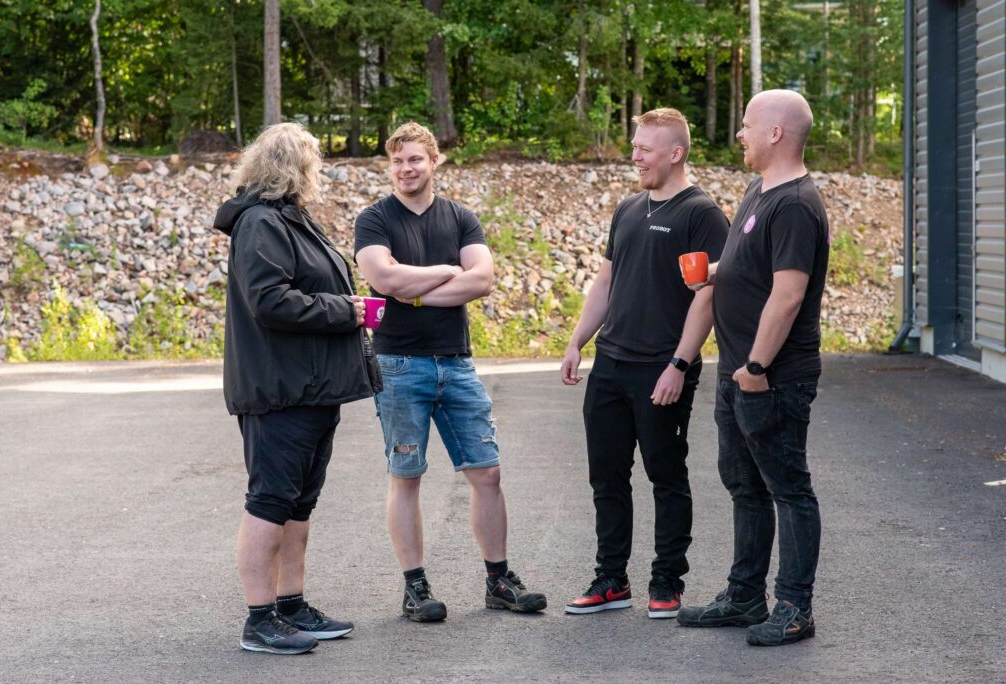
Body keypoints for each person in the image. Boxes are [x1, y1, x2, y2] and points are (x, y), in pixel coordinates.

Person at [354, 122, 546, 622]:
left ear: (435, 161)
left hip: (456, 363)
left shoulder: (461, 218)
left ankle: (499, 581)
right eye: (397, 161)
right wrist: (444, 274)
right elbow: (382, 277)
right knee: (407, 476)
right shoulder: (374, 219)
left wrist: (410, 291)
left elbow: (482, 280)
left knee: (487, 472)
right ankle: (415, 589)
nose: (405, 169)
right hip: (398, 364)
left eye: (415, 159)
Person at [560, 108, 729, 618]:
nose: (634, 156)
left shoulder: (702, 214)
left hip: (662, 368)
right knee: (606, 478)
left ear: (675, 153)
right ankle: (612, 579)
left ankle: (666, 581)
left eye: (644, 148)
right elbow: (606, 282)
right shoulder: (629, 208)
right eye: (634, 146)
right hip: (611, 365)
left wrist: (680, 364)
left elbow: (708, 296)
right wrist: (577, 341)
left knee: (665, 475)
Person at [676, 89, 830, 647]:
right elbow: (751, 265)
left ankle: (795, 607)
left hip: (771, 375)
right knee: (745, 484)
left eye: (746, 125)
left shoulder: (795, 204)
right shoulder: (758, 189)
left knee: (788, 487)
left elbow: (788, 295)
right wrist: (713, 271)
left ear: (775, 134)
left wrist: (758, 367)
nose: (738, 134)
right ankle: (745, 596)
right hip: (737, 368)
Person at [214, 122, 373, 655]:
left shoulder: (289, 219)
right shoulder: (260, 222)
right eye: (314, 163)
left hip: (310, 387)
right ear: (295, 167)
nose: (318, 173)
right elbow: (270, 299)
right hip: (279, 389)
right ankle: (259, 619)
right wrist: (343, 311)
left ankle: (291, 604)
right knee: (270, 500)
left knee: (299, 502)